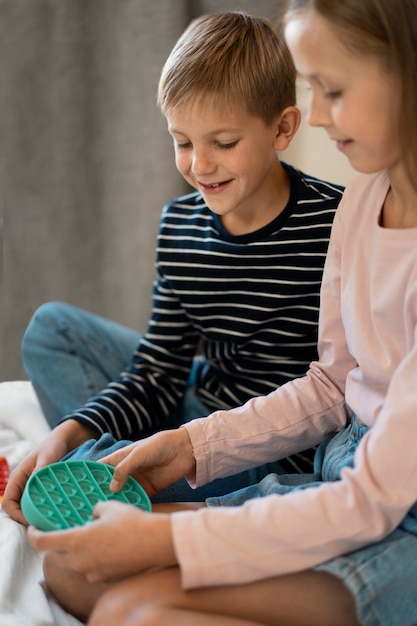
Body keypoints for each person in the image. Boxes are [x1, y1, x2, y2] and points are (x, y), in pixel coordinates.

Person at [20, 0, 417, 624]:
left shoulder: (326, 213)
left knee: (118, 590)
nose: (199, 164)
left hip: (345, 481)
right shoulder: (363, 201)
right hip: (309, 445)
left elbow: (368, 486)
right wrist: (177, 444)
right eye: (182, 142)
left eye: (331, 90)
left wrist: (169, 531)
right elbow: (332, 384)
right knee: (58, 352)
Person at [4, 10, 343, 513]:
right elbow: (158, 370)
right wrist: (77, 427)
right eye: (182, 142)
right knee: (51, 329)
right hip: (199, 406)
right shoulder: (179, 226)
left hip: (273, 445)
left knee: (107, 465)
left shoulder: (335, 222)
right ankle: (99, 451)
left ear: (282, 128)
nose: (199, 166)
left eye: (223, 143)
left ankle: (115, 464)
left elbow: (334, 386)